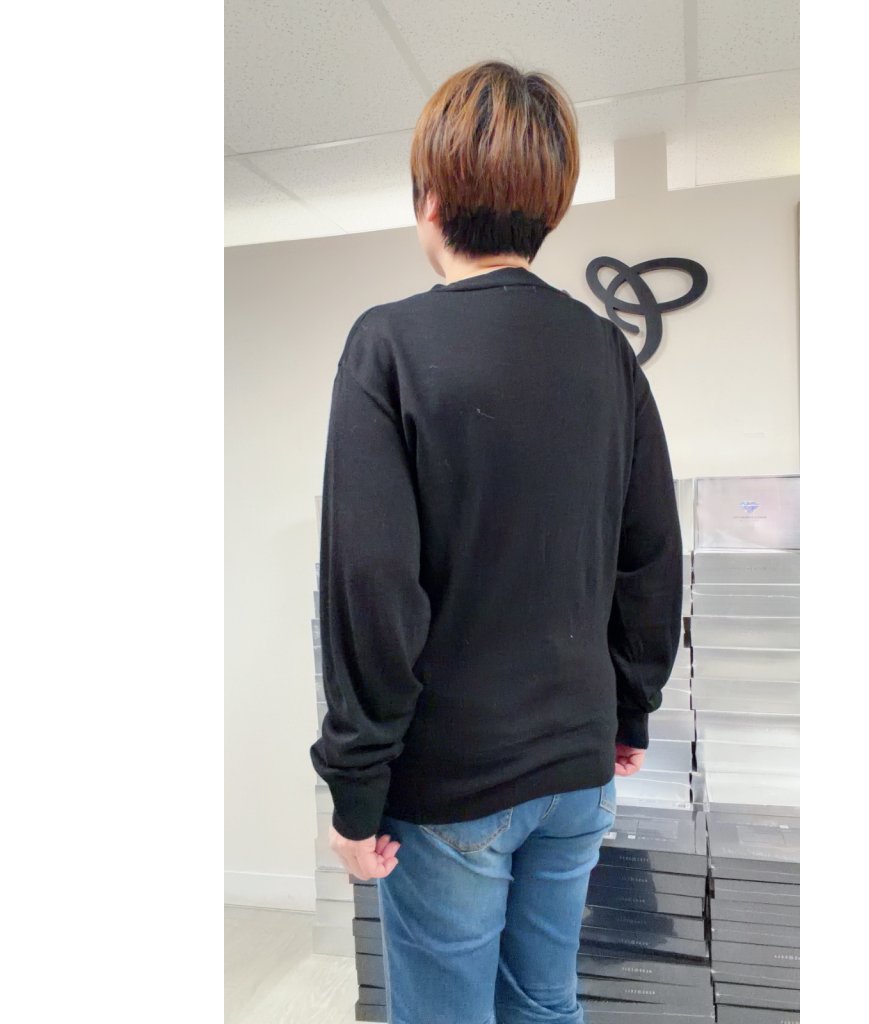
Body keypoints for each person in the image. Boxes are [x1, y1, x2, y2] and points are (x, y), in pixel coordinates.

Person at [310, 59, 683, 1024]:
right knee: (545, 1005)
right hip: (577, 771)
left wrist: (356, 789)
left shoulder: (388, 346)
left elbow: (370, 582)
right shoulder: (608, 352)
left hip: (453, 786)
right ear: (546, 208)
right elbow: (650, 554)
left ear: (429, 200)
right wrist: (630, 709)